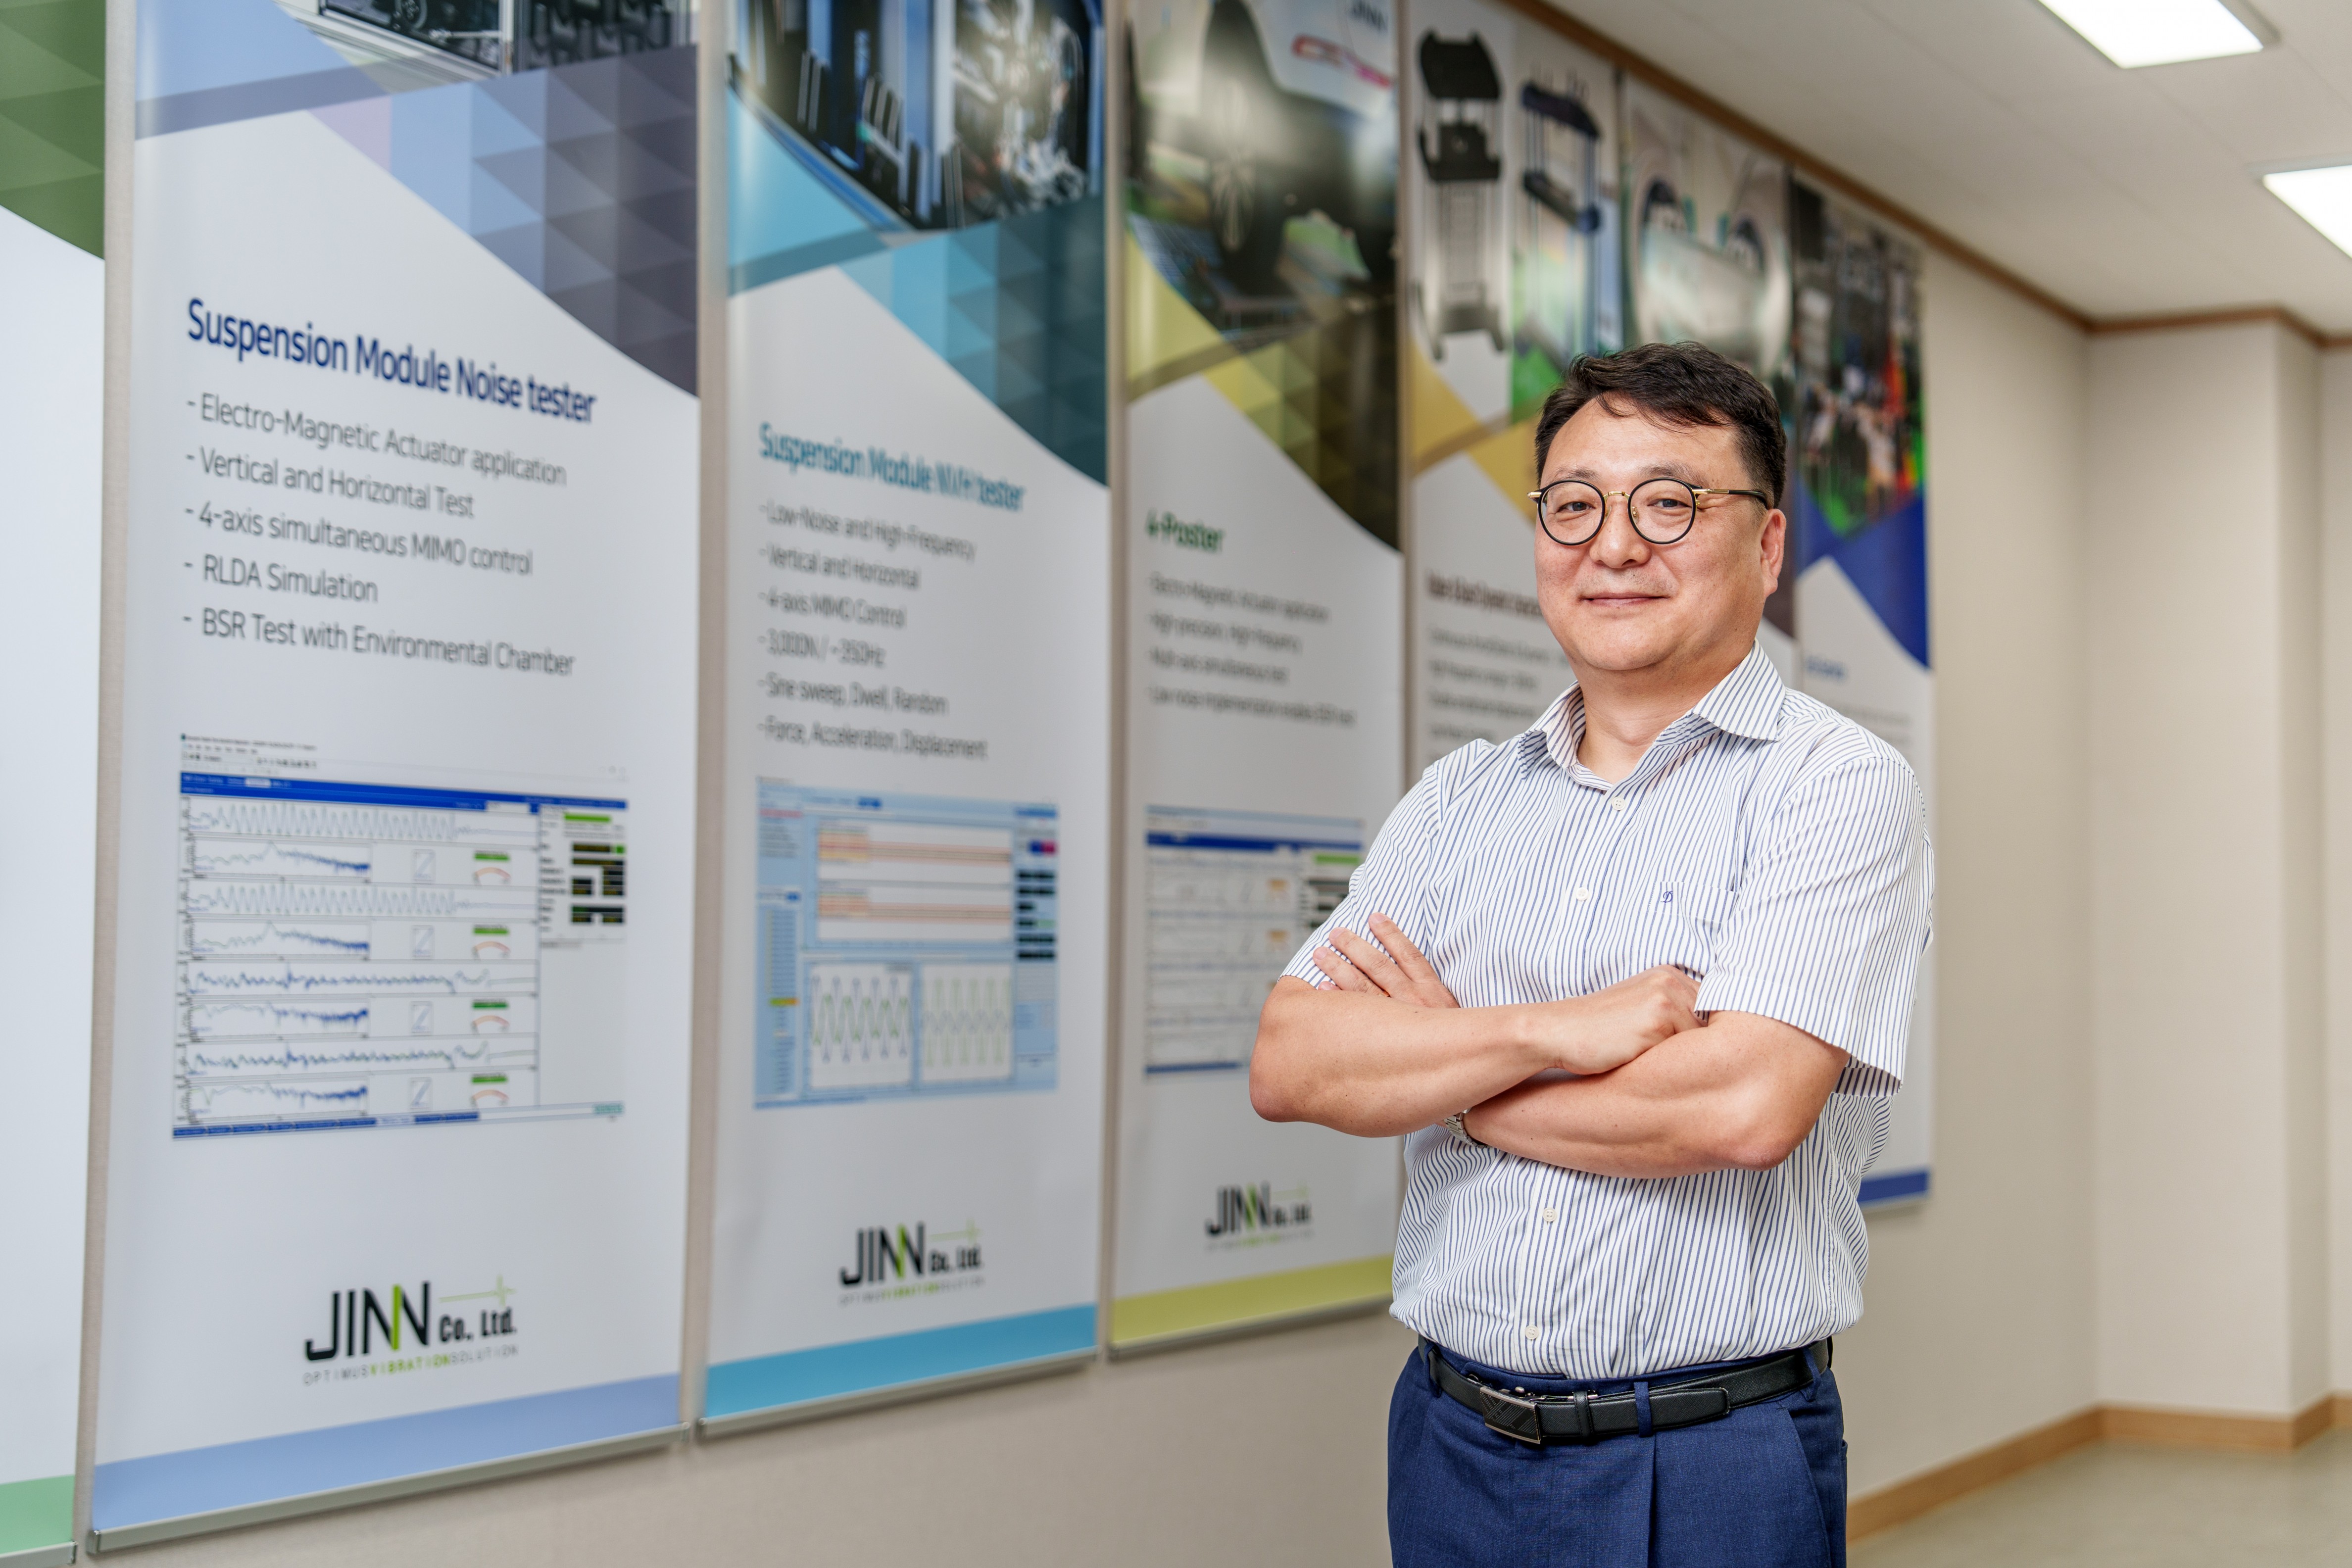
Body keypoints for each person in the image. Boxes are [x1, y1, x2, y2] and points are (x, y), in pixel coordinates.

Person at [1249, 340, 1932, 1568]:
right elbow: (1295, 1060)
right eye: (1574, 506)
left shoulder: (1835, 787)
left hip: (1709, 1457)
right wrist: (1551, 1031)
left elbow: (1742, 1106)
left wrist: (1451, 1081)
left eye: (1670, 504)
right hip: (1453, 1442)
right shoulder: (1458, 800)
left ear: (1768, 546)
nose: (1613, 546)